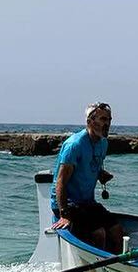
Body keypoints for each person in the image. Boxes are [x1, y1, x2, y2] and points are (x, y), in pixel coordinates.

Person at [50, 101, 123, 253]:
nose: (107, 124)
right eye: (103, 119)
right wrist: (64, 214)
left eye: (109, 120)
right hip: (68, 204)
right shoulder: (74, 145)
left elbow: (92, 163)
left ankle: (117, 263)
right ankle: (97, 263)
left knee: (117, 230)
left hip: (87, 202)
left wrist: (101, 174)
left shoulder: (103, 143)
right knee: (99, 233)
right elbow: (61, 181)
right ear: (90, 121)